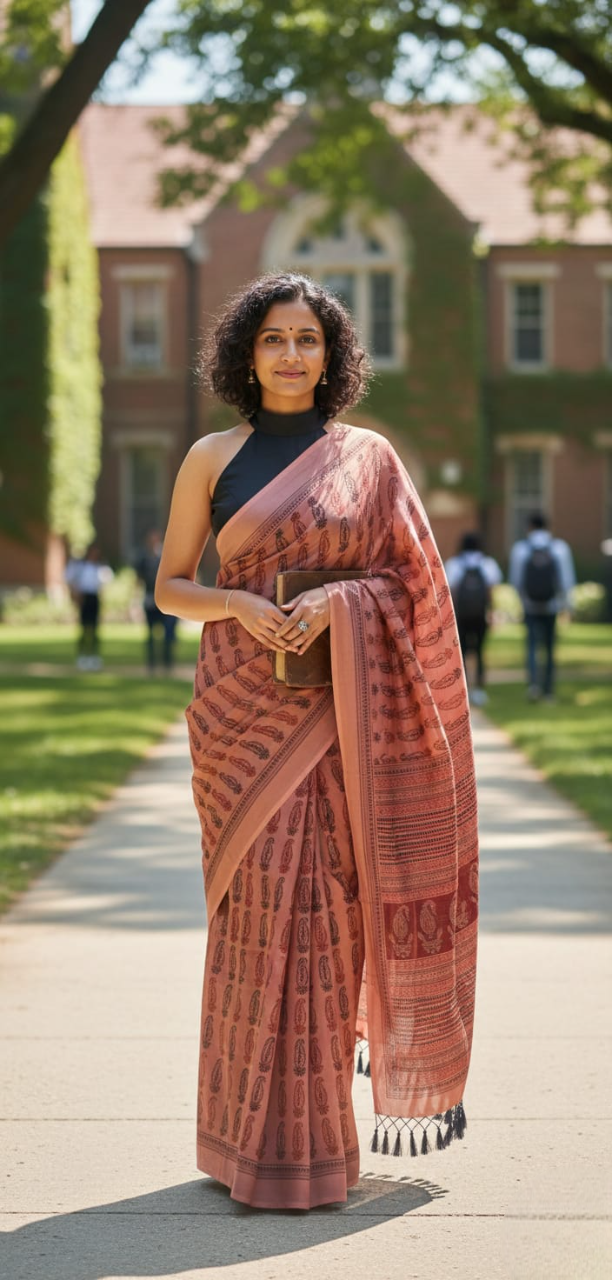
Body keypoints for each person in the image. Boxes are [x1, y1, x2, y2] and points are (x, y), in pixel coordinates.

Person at [155, 272, 478, 1210]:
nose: (291, 354)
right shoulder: (211, 458)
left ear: (332, 354)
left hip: (345, 726)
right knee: (252, 921)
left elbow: (415, 590)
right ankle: (237, 1145)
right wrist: (241, 607)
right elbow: (172, 585)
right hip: (241, 721)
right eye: (273, 339)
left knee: (328, 923)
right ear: (245, 356)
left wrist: (342, 602)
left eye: (308, 339)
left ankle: (311, 1154)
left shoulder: (368, 460)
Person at [509, 512, 576, 702]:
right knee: (549, 648)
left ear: (529, 526)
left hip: (530, 606)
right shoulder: (559, 548)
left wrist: (521, 602)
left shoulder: (521, 549)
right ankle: (548, 690)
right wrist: (567, 605)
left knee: (531, 646)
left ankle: (533, 686)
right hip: (551, 606)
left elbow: (516, 581)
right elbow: (566, 580)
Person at [445, 532, 503, 706]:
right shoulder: (487, 564)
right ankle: (479, 690)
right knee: (479, 652)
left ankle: (462, 689)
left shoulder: (454, 564)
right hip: (480, 615)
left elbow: (451, 592)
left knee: (460, 653)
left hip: (461, 616)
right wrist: (492, 612)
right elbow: (491, 591)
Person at [134, 529, 178, 674]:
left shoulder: (164, 557)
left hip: (164, 600)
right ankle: (151, 663)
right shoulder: (143, 558)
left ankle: (167, 662)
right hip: (149, 599)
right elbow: (138, 579)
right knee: (151, 634)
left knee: (168, 633)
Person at [65, 542, 114, 671]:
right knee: (83, 628)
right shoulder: (80, 567)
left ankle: (94, 656)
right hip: (84, 598)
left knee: (94, 629)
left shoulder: (100, 567)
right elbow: (70, 580)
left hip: (94, 598)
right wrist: (75, 596)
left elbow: (105, 583)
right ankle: (82, 656)